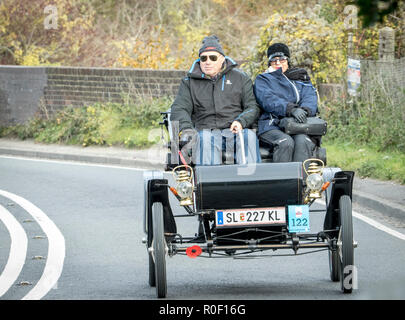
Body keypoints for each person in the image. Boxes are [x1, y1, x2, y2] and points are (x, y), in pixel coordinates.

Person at [170, 35, 261, 166]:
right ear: (199, 60)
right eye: (203, 58)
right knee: (205, 138)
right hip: (205, 131)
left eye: (213, 58)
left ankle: (251, 182)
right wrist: (187, 130)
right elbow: (179, 109)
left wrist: (241, 121)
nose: (208, 62)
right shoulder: (189, 83)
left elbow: (252, 106)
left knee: (249, 137)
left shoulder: (240, 78)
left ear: (222, 60)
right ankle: (210, 183)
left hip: (234, 130)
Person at [253, 43, 318, 163]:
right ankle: (281, 180)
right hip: (271, 125)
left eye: (282, 59)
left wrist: (304, 111)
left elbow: (310, 97)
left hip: (297, 124)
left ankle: (301, 180)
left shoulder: (300, 78)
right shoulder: (263, 79)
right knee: (285, 142)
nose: (278, 63)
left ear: (288, 61)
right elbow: (267, 100)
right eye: (274, 60)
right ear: (269, 63)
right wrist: (291, 109)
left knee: (302, 141)